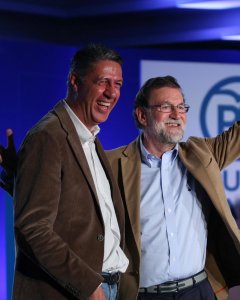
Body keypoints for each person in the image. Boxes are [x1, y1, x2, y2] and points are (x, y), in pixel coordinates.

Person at [0, 43, 129, 300]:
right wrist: (89, 286)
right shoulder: (48, 136)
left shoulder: (89, 137)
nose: (111, 93)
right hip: (74, 292)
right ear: (75, 82)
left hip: (107, 288)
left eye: (118, 85)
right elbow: (32, 228)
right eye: (103, 82)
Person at [106, 76, 240, 300]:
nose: (177, 115)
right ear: (142, 115)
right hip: (144, 295)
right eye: (166, 107)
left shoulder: (202, 154)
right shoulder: (113, 165)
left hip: (199, 291)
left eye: (180, 107)